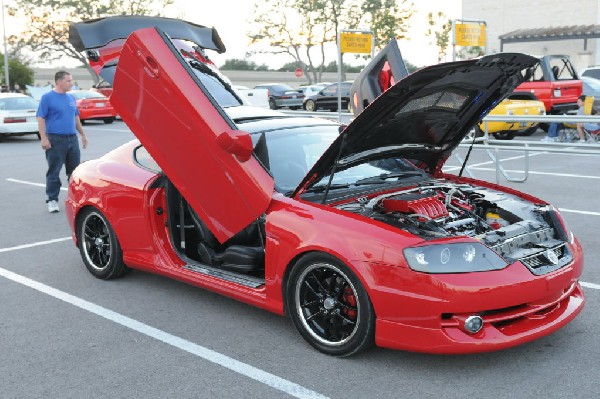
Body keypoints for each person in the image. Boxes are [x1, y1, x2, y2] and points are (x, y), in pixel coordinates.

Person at [36, 70, 88, 213]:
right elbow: (41, 118)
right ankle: (52, 200)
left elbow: (76, 118)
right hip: (55, 139)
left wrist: (83, 134)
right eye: (68, 81)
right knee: (54, 171)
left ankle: (75, 200)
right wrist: (44, 138)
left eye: (71, 80)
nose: (71, 83)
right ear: (59, 82)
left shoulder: (71, 98)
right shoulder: (47, 98)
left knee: (74, 172)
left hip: (72, 139)